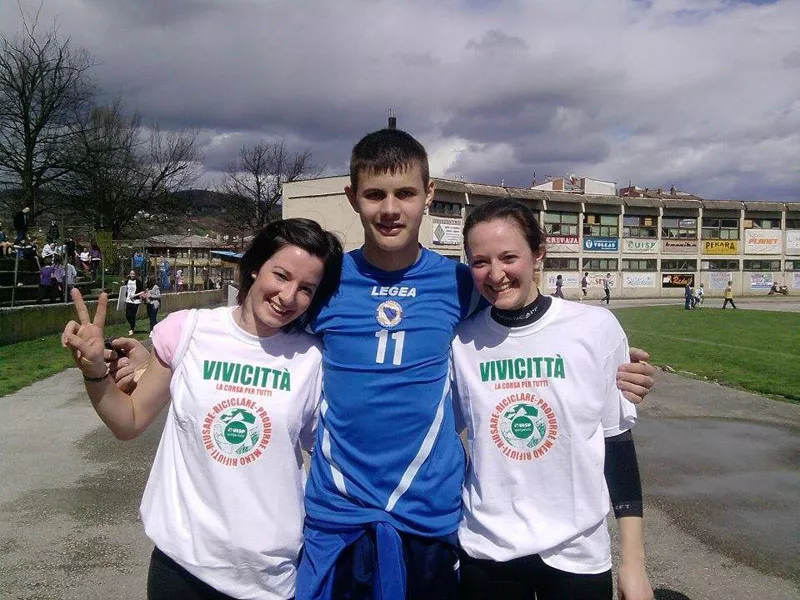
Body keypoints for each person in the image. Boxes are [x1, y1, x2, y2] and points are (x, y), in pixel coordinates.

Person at [104, 129, 656, 600]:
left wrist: (610, 367)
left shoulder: (460, 283)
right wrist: (158, 358)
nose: (390, 209)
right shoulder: (325, 283)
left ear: (428, 194)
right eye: (374, 194)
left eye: (405, 193)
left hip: (429, 513)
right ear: (352, 197)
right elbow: (255, 332)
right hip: (338, 513)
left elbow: (520, 330)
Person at [60, 218, 343, 600]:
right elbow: (129, 420)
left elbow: (330, 459)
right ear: (255, 267)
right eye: (281, 275)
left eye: (306, 288)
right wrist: (95, 371)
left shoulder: (313, 359)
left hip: (270, 577)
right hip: (183, 568)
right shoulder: (188, 331)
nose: (288, 295)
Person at [452, 199, 652, 600]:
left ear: (538, 253)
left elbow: (616, 442)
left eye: (509, 257)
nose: (496, 274)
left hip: (577, 553)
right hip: (489, 550)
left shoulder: (595, 328)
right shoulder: (461, 341)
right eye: (480, 262)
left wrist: (634, 563)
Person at [124, 270, 145, 335]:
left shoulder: (138, 282)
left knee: (133, 315)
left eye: (133, 274)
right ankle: (133, 323)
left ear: (135, 275)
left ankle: (131, 329)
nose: (132, 275)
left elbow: (142, 291)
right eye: (131, 274)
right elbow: (124, 289)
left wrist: (134, 295)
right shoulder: (127, 281)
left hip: (135, 301)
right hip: (128, 300)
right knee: (127, 315)